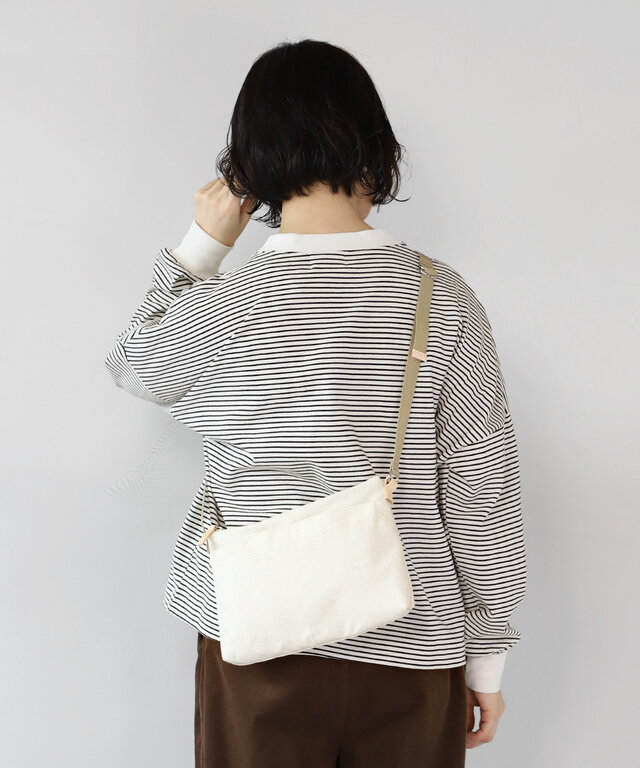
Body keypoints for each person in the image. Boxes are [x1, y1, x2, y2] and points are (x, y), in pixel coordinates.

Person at [104, 38, 527, 768]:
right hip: (412, 647)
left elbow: (134, 365)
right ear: (373, 145)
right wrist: (487, 653)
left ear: (251, 162)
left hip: (256, 647)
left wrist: (201, 247)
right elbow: (482, 490)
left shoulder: (219, 307)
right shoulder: (443, 298)